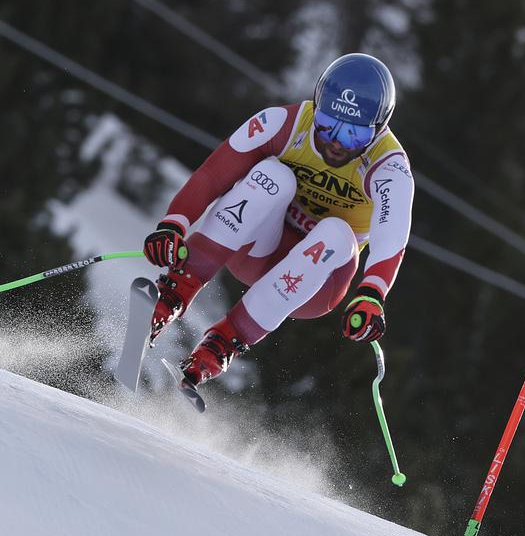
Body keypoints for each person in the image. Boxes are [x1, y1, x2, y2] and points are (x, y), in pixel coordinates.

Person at [142, 53, 415, 391]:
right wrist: (174, 223)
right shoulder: (283, 124)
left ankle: (224, 342)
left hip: (315, 283)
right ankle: (173, 293)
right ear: (317, 106)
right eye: (328, 123)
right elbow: (213, 175)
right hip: (256, 249)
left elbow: (393, 235)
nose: (334, 143)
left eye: (353, 136)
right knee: (272, 175)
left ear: (379, 130)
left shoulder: (390, 169)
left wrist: (372, 292)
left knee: (337, 233)